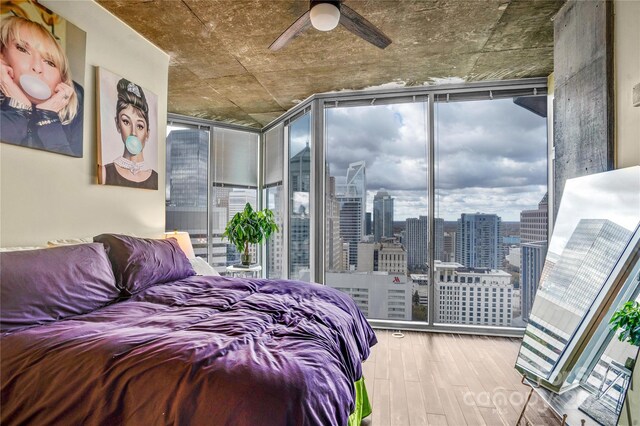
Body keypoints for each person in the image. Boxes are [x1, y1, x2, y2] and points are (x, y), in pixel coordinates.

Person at [0, 15, 83, 157]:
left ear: (61, 80)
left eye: (50, 62)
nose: (37, 67)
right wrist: (17, 108)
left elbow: (68, 173)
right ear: (2, 56)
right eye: (22, 49)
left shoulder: (77, 107)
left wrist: (48, 117)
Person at [101, 77, 157, 190]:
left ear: (148, 133)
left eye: (140, 126)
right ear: (118, 124)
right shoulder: (105, 172)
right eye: (126, 122)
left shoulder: (156, 178)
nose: (133, 133)